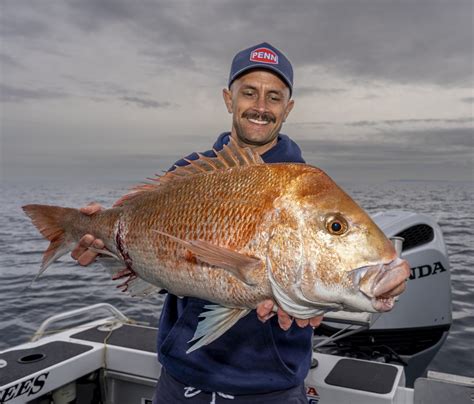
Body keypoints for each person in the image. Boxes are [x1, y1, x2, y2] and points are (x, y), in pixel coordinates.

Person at [72, 42, 323, 404]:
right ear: (228, 99)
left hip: (271, 385)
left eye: (274, 97)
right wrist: (104, 250)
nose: (261, 107)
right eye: (249, 93)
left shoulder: (308, 189)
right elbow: (161, 265)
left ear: (289, 107)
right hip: (182, 377)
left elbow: (334, 268)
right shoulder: (188, 174)